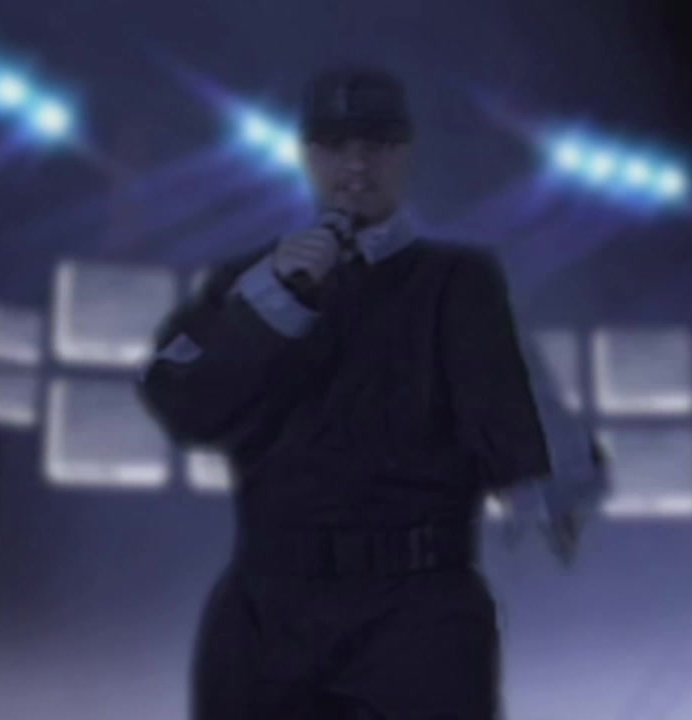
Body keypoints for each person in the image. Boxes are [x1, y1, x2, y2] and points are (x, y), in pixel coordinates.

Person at [137, 65, 605, 720]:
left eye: (377, 143)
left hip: (418, 608)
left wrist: (550, 481)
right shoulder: (250, 278)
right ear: (307, 154)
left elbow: (507, 400)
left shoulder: (456, 279)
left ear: (405, 151)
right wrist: (278, 296)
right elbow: (183, 401)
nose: (356, 165)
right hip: (271, 608)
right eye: (334, 145)